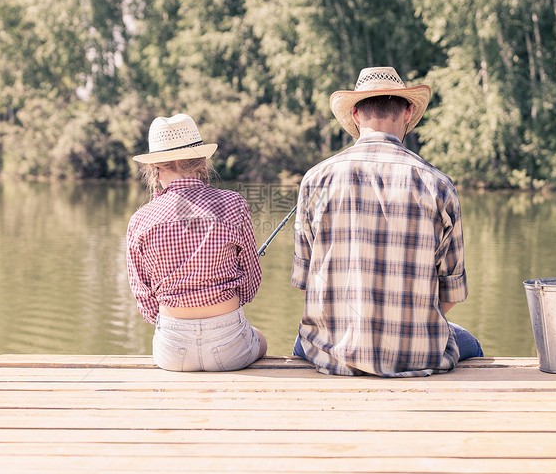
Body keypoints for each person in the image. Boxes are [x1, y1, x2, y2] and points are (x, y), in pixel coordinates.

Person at [291, 66, 483, 376]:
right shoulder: (439, 185)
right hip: (418, 356)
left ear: (355, 114)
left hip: (335, 354)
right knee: (471, 344)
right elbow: (452, 292)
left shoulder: (316, 179)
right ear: (408, 112)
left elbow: (305, 284)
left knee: (303, 345)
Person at [126, 113, 267, 371]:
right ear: (202, 163)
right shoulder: (234, 204)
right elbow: (250, 286)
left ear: (155, 171)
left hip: (171, 352)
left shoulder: (140, 220)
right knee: (261, 339)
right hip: (229, 346)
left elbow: (145, 303)